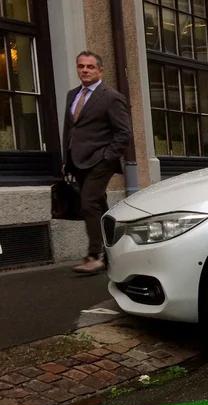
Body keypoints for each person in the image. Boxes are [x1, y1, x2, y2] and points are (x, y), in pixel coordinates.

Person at [62, 51, 132, 275]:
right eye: (81, 66)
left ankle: (95, 256)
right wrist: (66, 159)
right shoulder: (72, 95)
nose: (85, 70)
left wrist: (108, 157)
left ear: (100, 71)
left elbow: (124, 133)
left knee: (89, 203)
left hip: (100, 160)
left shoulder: (110, 97)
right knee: (99, 206)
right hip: (78, 161)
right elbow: (70, 130)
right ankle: (117, 248)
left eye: (90, 67)